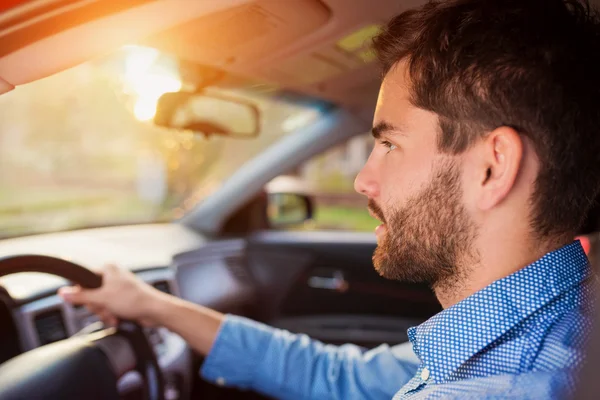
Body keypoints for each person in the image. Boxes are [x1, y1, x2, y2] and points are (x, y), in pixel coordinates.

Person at [59, 0, 600, 398]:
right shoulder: (548, 329)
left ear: (492, 166)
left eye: (389, 143)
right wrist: (152, 305)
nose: (363, 181)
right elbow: (335, 377)